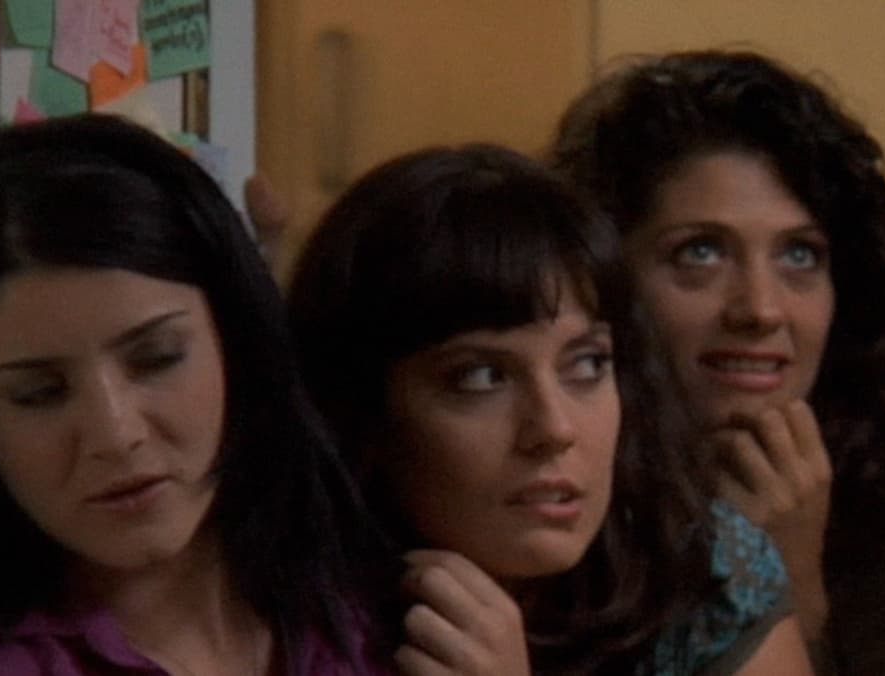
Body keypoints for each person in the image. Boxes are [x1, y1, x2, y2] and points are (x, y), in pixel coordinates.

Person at [0, 115, 384, 674]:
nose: (116, 434)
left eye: (157, 359)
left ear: (237, 341)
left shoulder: (382, 608)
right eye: (39, 394)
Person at [286, 144, 814, 676]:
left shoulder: (696, 571)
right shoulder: (278, 612)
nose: (554, 429)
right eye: (481, 377)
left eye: (587, 364)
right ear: (365, 413)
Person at [549, 50, 885, 675]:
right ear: (604, 273)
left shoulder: (881, 493)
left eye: (800, 256)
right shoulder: (545, 468)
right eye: (701, 253)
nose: (761, 310)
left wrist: (792, 592)